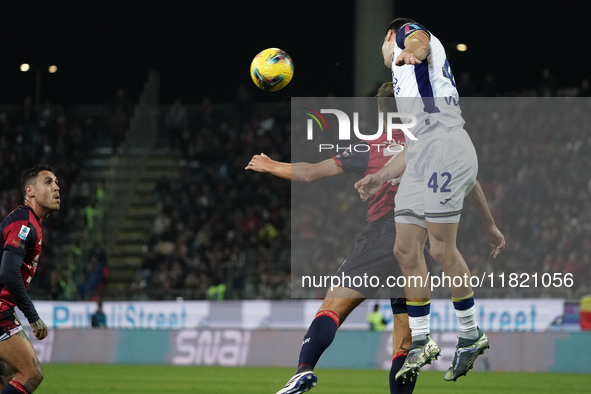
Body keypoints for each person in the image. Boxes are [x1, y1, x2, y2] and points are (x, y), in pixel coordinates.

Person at [247, 83, 502, 394]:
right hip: (418, 243)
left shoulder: (369, 147)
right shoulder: (431, 144)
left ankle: (303, 370)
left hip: (382, 234)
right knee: (405, 338)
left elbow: (310, 172)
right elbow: (470, 181)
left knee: (332, 307)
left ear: (381, 113)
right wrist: (489, 225)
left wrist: (270, 165)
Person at [355, 18, 505, 383]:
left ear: (388, 36)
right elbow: (414, 147)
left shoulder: (406, 36)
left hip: (445, 145)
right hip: (425, 151)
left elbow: (419, 40)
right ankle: (421, 340)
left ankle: (470, 334)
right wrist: (379, 175)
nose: (387, 55)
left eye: (386, 47)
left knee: (440, 249)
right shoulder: (404, 88)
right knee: (405, 249)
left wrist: (409, 51)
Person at [0, 164, 61, 393]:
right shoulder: (24, 224)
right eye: (48, 182)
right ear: (30, 191)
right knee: (31, 373)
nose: (56, 188)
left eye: (56, 183)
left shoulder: (28, 221)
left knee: (7, 380)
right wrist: (33, 317)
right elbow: (8, 272)